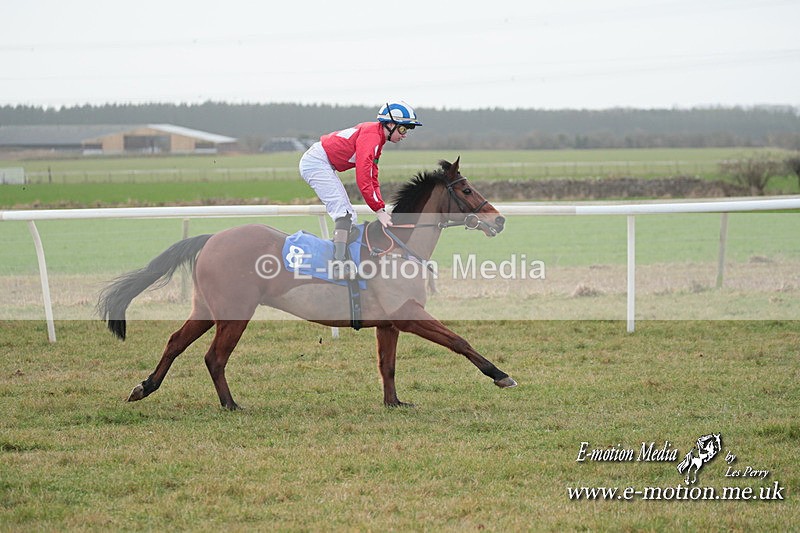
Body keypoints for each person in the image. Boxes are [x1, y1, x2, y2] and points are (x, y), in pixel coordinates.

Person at [298, 100, 422, 269]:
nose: (405, 134)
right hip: (317, 163)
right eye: (403, 128)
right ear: (391, 124)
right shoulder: (371, 137)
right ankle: (338, 264)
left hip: (322, 162)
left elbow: (373, 175)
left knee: (350, 216)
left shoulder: (377, 138)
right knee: (345, 213)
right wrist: (378, 210)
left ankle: (343, 258)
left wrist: (381, 208)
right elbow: (363, 178)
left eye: (407, 130)